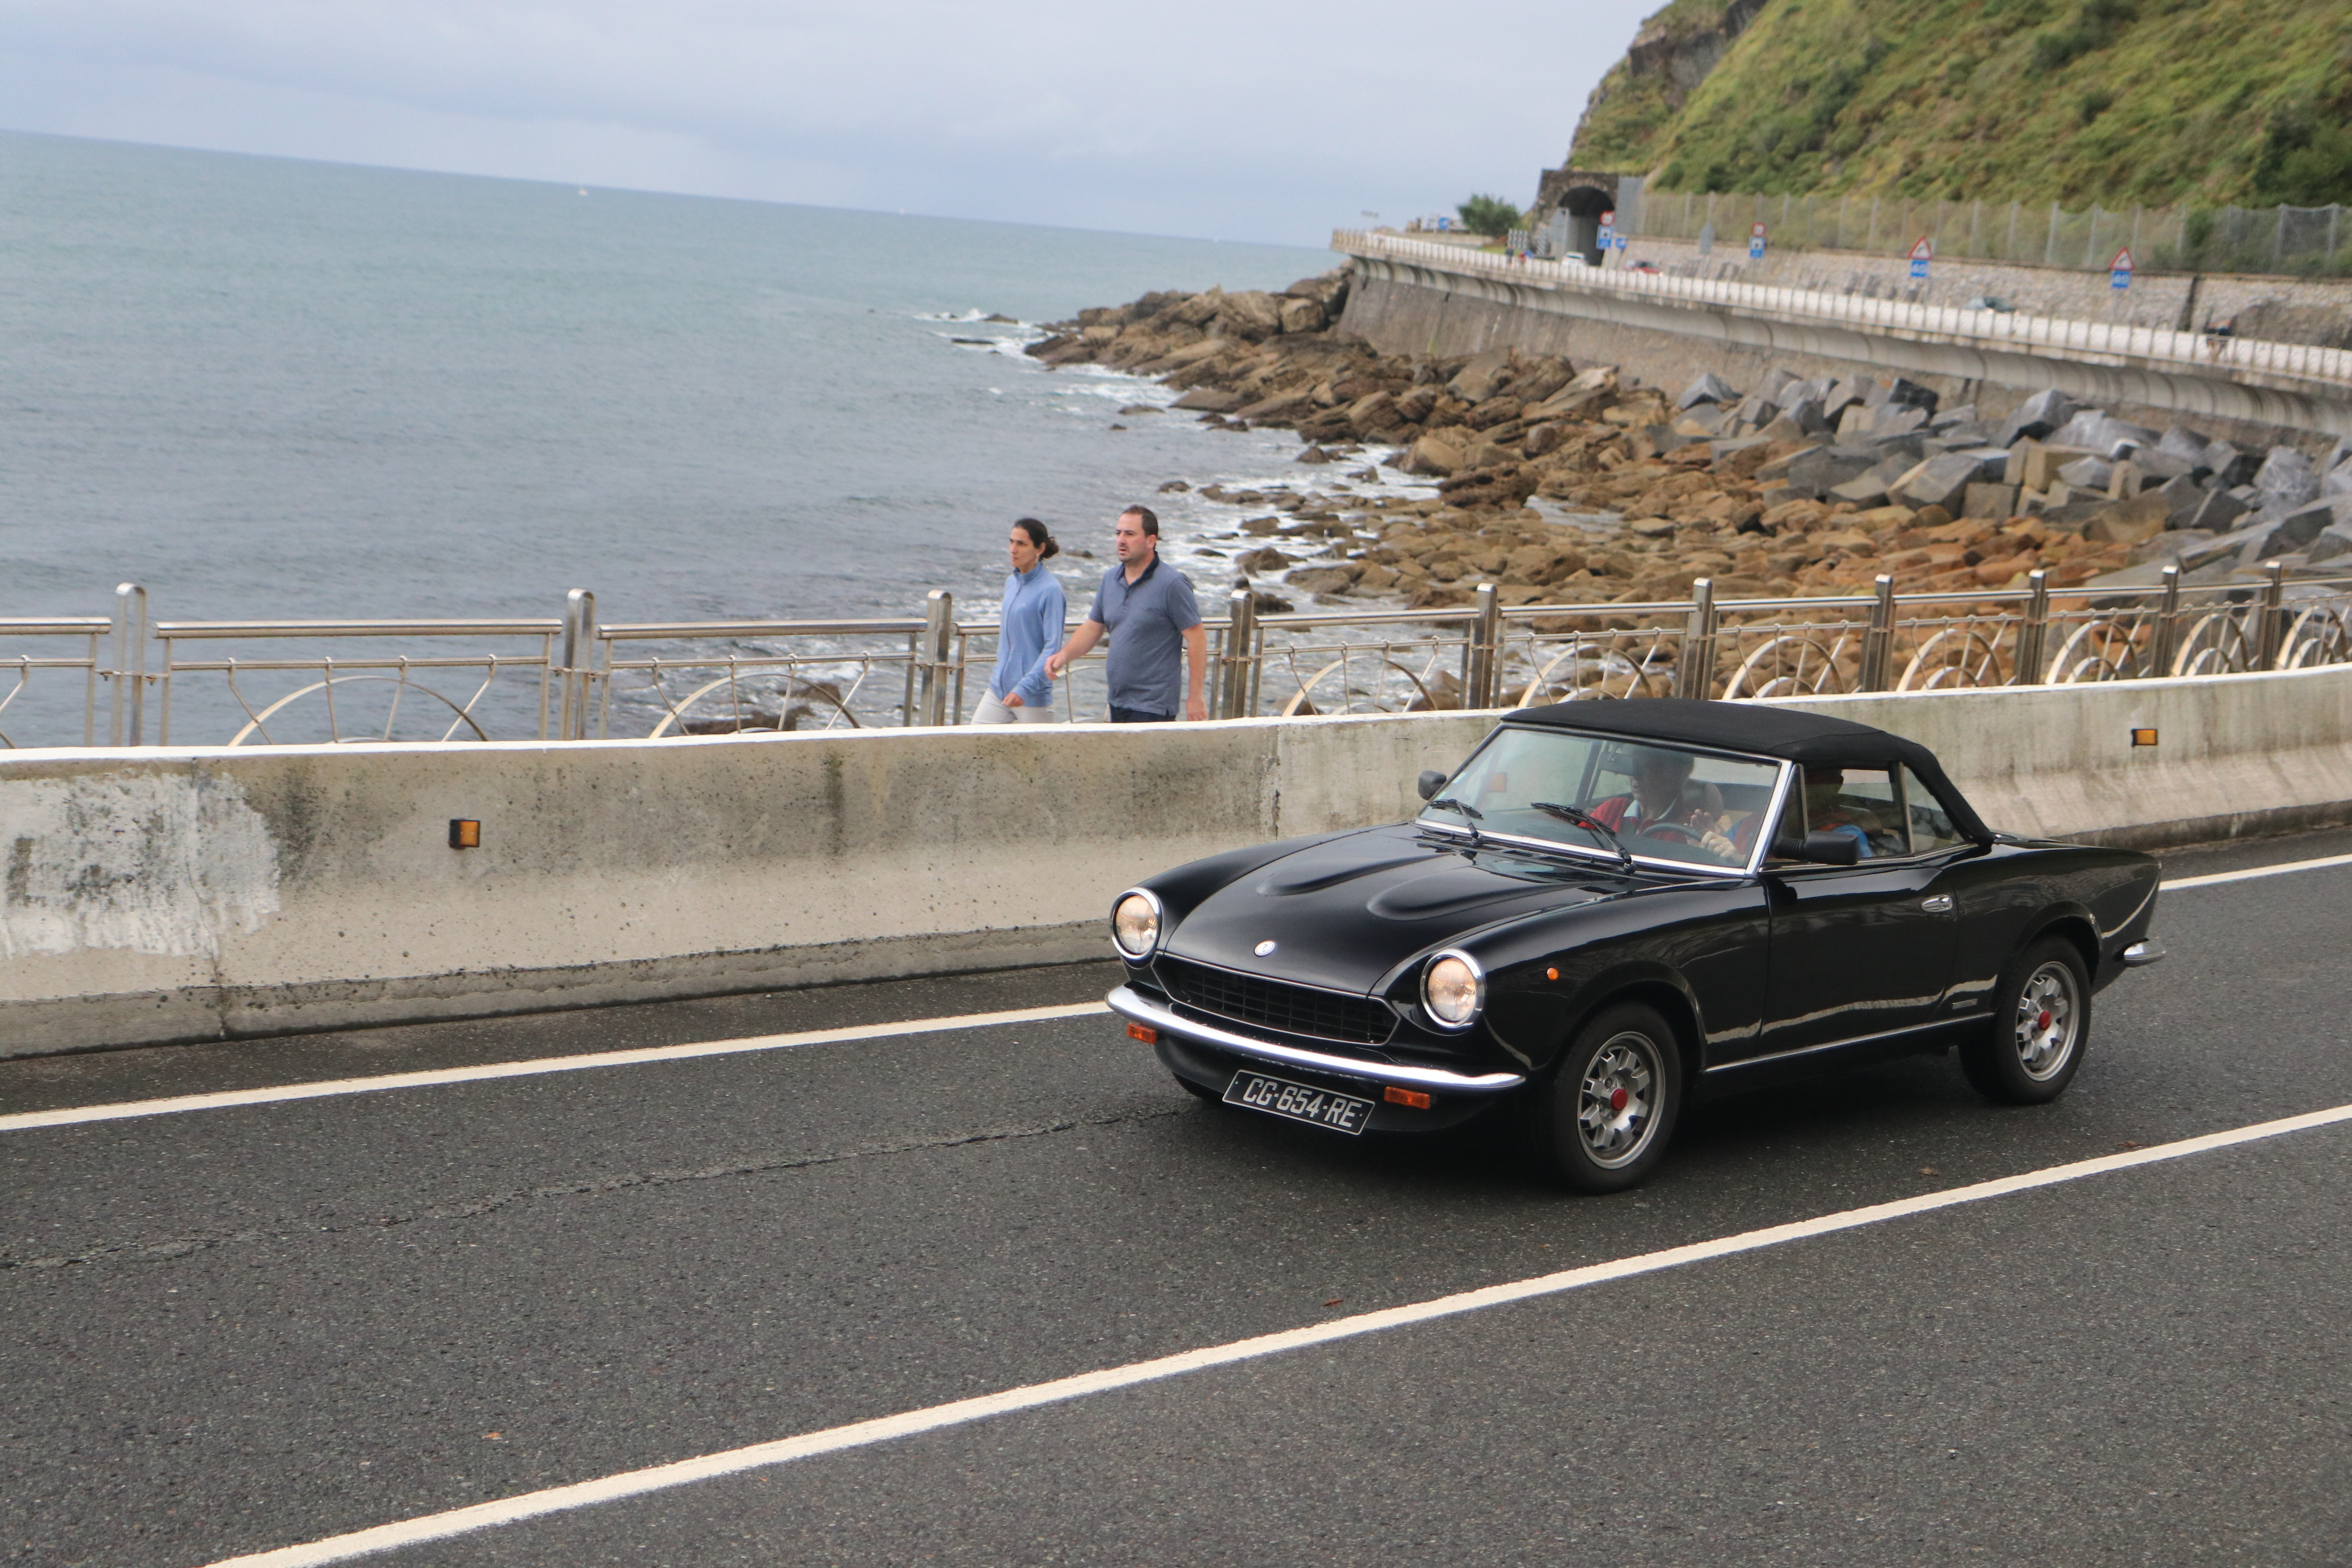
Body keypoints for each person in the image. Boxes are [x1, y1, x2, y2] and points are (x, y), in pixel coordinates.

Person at [1045, 505, 1206, 722]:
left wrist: (1195, 697)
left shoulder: (1172, 584)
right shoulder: (1110, 579)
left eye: (1130, 534)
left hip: (1154, 707)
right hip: (1117, 701)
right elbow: (1094, 627)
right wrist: (1064, 656)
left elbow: (1197, 638)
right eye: (1118, 533)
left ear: (1151, 541)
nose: (1121, 540)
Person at [972, 518, 1066, 724]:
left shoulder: (1051, 591)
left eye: (1021, 544)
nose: (1013, 549)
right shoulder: (1011, 583)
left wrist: (1024, 689)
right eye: (1011, 542)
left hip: (1031, 698)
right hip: (999, 691)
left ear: (1039, 549)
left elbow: (1053, 647)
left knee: (1038, 757)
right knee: (974, 746)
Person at [1590, 748, 1737, 859]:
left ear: (1677, 774)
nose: (1636, 775)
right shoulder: (1612, 809)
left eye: (1648, 767)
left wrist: (1703, 853)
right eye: (1634, 766)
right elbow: (1577, 840)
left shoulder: (1690, 831)